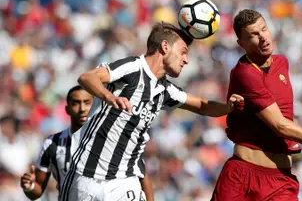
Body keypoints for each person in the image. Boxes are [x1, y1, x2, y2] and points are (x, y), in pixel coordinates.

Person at [59, 22, 243, 201]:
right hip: (85, 176)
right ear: (164, 47)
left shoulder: (166, 91)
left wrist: (228, 107)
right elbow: (87, 77)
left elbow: (203, 105)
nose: (186, 60)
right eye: (183, 52)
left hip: (124, 181)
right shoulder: (133, 68)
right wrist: (110, 97)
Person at [211, 9, 302, 201]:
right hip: (242, 176)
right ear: (242, 44)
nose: (262, 37)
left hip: (279, 180)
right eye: (253, 35)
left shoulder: (282, 64)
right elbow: (280, 126)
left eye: (263, 29)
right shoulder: (245, 73)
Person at [20, 86, 154, 200]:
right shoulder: (52, 143)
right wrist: (30, 187)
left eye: (87, 102)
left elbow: (143, 179)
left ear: (95, 105)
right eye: (76, 103)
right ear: (67, 109)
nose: (82, 108)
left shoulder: (114, 139)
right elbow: (37, 189)